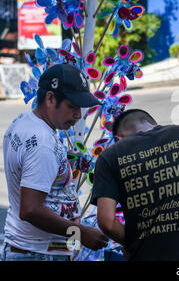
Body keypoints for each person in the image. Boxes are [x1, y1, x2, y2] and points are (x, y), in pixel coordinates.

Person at [1, 63, 109, 261]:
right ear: (50, 98)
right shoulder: (42, 143)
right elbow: (30, 210)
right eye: (72, 106)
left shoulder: (24, 121)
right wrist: (81, 233)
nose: (78, 115)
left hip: (28, 248)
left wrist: (62, 163)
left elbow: (30, 163)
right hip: (39, 254)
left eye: (81, 108)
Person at [91, 109, 179, 261]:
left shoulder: (110, 156)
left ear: (118, 138)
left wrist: (134, 245)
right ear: (154, 125)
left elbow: (107, 221)